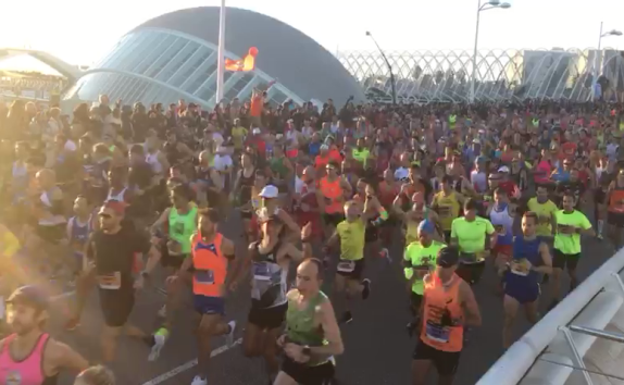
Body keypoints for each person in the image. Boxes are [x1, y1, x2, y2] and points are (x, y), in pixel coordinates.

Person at [78, 200, 161, 363]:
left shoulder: (130, 237)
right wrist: (87, 267)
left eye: (106, 216)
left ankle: (105, 376)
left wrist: (143, 277)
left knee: (108, 337)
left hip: (123, 292)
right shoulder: (97, 236)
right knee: (121, 327)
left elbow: (155, 254)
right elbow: (87, 253)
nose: (102, 219)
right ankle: (152, 341)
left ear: (119, 217)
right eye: (101, 215)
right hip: (104, 290)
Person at [169, 208, 237, 385]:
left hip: (215, 296)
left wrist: (228, 283)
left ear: (215, 225)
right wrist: (179, 274)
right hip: (198, 294)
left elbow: (235, 263)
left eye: (205, 223)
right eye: (200, 222)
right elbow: (190, 258)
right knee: (198, 329)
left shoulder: (225, 244)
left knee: (202, 335)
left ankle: (202, 375)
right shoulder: (194, 239)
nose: (201, 226)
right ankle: (227, 329)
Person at [242, 217, 313, 383]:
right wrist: (240, 281)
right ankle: (281, 348)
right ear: (262, 225)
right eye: (268, 224)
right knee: (248, 349)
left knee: (268, 353)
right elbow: (248, 267)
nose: (271, 228)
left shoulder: (284, 248)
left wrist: (305, 239)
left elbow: (305, 259)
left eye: (276, 225)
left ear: (281, 228)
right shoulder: (254, 247)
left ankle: (275, 375)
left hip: (276, 307)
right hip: (258, 305)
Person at [411, 247, 481, 385]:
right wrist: (418, 321)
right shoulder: (429, 279)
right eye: (439, 264)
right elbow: (424, 304)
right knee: (416, 380)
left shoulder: (462, 288)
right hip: (426, 341)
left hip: (449, 347)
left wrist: (457, 322)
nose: (442, 269)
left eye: (447, 265)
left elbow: (477, 320)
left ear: (455, 266)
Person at [0, 285, 89, 384]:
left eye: (22, 311)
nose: (14, 316)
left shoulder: (54, 352)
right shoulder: (2, 347)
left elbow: (92, 374)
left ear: (41, 316)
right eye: (12, 309)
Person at [274, 259, 344, 385]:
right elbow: (286, 326)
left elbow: (338, 347)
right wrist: (283, 337)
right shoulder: (291, 296)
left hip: (317, 365)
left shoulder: (322, 308)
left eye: (307, 279)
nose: (300, 283)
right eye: (298, 277)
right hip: (294, 361)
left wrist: (305, 350)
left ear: (319, 282)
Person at [502, 212, 552, 349]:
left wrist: (533, 268)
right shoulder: (515, 240)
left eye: (529, 225)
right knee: (509, 320)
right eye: (523, 224)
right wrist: (507, 264)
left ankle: (542, 341)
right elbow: (506, 259)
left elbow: (550, 269)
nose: (526, 228)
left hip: (530, 287)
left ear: (536, 226)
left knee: (531, 318)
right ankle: (506, 351)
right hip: (513, 286)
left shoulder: (541, 246)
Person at [550, 191, 595, 309]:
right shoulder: (557, 214)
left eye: (569, 201)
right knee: (556, 274)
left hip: (573, 250)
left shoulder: (580, 216)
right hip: (559, 248)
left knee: (571, 272)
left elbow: (592, 233)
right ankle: (555, 300)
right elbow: (552, 231)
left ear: (574, 203)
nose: (566, 204)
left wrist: (575, 230)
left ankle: (574, 280)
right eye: (564, 201)